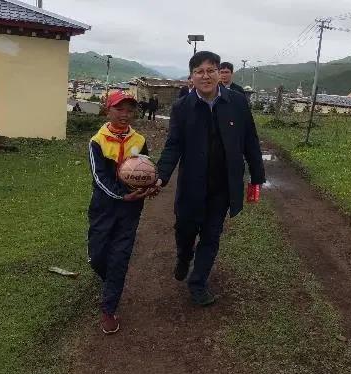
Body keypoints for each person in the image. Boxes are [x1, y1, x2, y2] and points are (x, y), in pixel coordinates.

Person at [155, 51, 265, 306]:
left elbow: (250, 139)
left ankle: (198, 283)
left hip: (223, 185)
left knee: (211, 235)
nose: (205, 76)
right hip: (192, 184)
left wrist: (257, 176)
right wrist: (161, 176)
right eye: (199, 72)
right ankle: (184, 257)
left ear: (218, 73)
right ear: (192, 77)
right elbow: (173, 145)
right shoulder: (182, 107)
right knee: (185, 229)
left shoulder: (237, 102)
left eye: (210, 70)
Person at [87, 92, 156, 334]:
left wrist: (150, 186)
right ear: (109, 110)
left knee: (119, 256)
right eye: (120, 109)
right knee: (97, 257)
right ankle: (111, 282)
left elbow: (146, 168)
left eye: (130, 110)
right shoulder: (97, 141)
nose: (125, 115)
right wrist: (120, 195)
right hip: (103, 207)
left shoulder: (139, 139)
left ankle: (109, 309)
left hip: (130, 209)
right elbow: (99, 178)